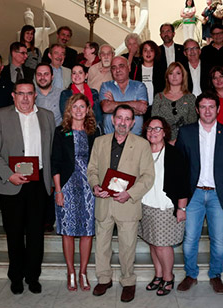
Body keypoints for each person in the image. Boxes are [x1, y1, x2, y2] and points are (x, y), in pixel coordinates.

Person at [0, 81, 55, 295]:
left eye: (29, 94)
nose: (25, 98)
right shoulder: (0, 115)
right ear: (14, 96)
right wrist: (9, 175)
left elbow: (51, 150)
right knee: (14, 233)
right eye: (21, 94)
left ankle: (32, 276)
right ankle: (16, 276)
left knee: (36, 234)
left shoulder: (47, 116)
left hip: (38, 184)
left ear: (35, 95)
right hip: (11, 183)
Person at [87, 103, 155, 302]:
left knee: (127, 247)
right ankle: (104, 278)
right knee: (102, 245)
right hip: (104, 202)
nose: (123, 122)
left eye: (127, 119)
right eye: (120, 118)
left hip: (128, 205)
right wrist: (95, 186)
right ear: (112, 119)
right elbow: (92, 170)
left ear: (133, 123)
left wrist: (130, 193)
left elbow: (148, 176)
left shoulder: (142, 144)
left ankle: (128, 282)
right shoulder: (100, 142)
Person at [176, 93, 223, 295]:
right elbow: (180, 164)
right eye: (203, 107)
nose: (207, 110)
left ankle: (216, 275)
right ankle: (191, 275)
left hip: (217, 194)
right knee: (190, 239)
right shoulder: (186, 133)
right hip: (193, 194)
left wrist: (222, 182)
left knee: (219, 240)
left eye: (211, 106)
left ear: (218, 109)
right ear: (197, 110)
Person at [52, 94, 99, 291]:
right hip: (67, 187)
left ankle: (83, 272)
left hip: (88, 187)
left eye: (82, 106)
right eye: (75, 107)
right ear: (69, 110)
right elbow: (54, 163)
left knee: (87, 232)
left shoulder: (94, 132)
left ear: (88, 109)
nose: (79, 110)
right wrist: (58, 191)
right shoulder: (61, 132)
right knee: (68, 232)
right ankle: (71, 272)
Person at [139, 115, 189, 297]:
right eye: (150, 129)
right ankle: (158, 275)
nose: (153, 132)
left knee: (162, 246)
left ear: (165, 132)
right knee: (153, 244)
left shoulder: (174, 153)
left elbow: (184, 183)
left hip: (165, 207)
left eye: (157, 128)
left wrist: (181, 208)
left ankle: (168, 277)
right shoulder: (143, 151)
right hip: (146, 205)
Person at [99, 56, 148, 135]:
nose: (117, 70)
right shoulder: (106, 86)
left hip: (135, 138)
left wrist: (113, 103)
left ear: (129, 67)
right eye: (114, 68)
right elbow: (106, 108)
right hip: (110, 137)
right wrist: (135, 104)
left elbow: (142, 109)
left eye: (121, 66)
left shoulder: (139, 86)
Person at [152, 64, 197, 143]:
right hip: (162, 142)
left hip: (185, 141)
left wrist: (178, 141)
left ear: (183, 76)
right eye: (171, 73)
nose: (174, 76)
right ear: (167, 77)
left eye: (178, 73)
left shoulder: (190, 98)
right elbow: (154, 124)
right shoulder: (159, 97)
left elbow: (192, 125)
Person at [152, 23, 190, 93]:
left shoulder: (182, 50)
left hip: (181, 89)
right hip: (162, 90)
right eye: (163, 32)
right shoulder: (156, 51)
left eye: (168, 31)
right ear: (160, 35)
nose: (166, 34)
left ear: (173, 33)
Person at [35, 63, 64, 127]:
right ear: (35, 77)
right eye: (39, 74)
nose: (42, 77)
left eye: (46, 74)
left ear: (52, 76)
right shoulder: (30, 95)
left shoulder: (62, 94)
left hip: (57, 134)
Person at [139, 41, 158, 107]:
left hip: (156, 107)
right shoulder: (136, 70)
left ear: (155, 53)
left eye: (151, 50)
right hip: (139, 107)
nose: (148, 53)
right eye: (145, 50)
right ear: (141, 53)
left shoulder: (161, 70)